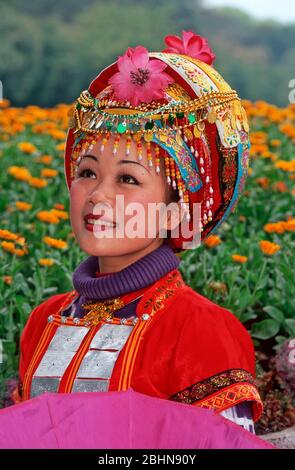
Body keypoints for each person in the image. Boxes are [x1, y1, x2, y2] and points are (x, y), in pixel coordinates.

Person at [17, 30, 262, 434]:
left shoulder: (201, 329)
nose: (97, 195)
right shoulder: (45, 320)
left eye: (128, 179)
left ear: (174, 211)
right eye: (87, 172)